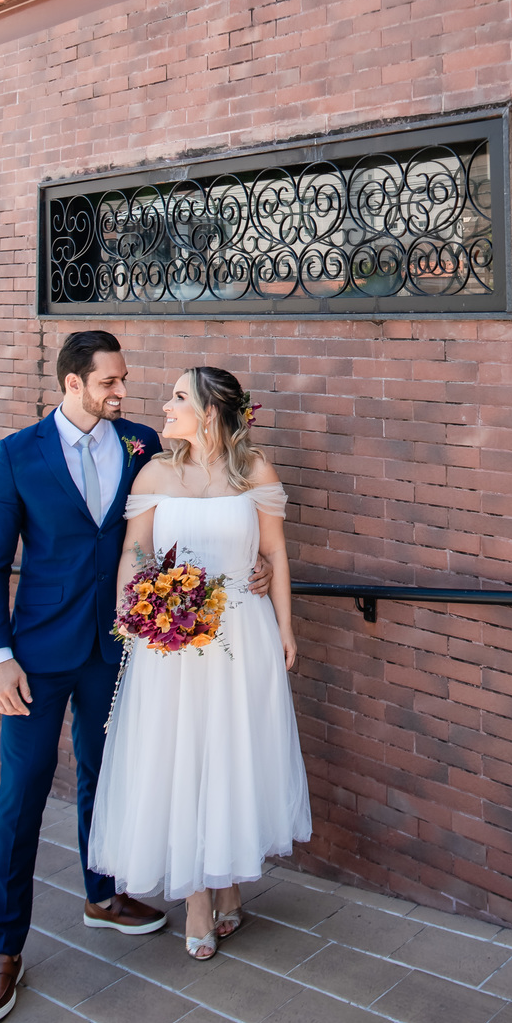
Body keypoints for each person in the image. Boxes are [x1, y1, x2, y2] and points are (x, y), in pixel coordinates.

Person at [0, 331, 273, 1023]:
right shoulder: (18, 454)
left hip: (118, 651)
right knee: (21, 794)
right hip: (36, 656)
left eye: (124, 379)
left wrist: (251, 564)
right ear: (72, 383)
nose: (124, 392)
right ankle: (3, 951)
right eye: (110, 382)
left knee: (106, 776)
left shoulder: (143, 443)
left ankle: (102, 896)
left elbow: (188, 515)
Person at [88, 365, 311, 959]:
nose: (165, 405)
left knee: (232, 755)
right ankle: (195, 899)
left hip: (243, 632)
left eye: (178, 397)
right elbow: (135, 551)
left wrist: (286, 628)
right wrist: (135, 611)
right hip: (173, 643)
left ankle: (228, 882)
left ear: (210, 412)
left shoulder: (254, 470)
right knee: (183, 756)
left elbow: (275, 552)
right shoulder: (155, 472)